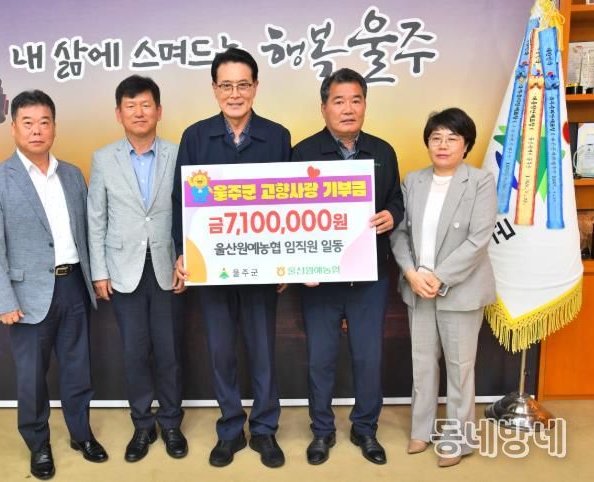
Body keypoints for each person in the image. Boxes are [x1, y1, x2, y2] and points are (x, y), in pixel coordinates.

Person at [0, 90, 107, 480]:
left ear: (54, 127)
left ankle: (81, 435)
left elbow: (87, 232)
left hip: (73, 286)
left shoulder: (72, 174)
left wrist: (95, 277)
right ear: (14, 127)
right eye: (28, 123)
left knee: (77, 369)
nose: (37, 130)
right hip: (26, 294)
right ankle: (38, 444)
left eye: (44, 122)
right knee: (32, 377)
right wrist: (3, 299)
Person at [171, 47, 291, 468]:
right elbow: (181, 202)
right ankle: (230, 430)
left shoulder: (277, 136)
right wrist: (182, 252)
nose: (235, 94)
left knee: (262, 351)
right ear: (214, 89)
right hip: (212, 267)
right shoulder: (196, 137)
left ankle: (265, 430)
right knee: (221, 352)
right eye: (226, 86)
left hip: (261, 266)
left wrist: (287, 259)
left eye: (243, 85)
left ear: (255, 87)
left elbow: (289, 204)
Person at [291, 68, 404, 466]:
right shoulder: (302, 153)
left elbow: (396, 200)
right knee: (320, 359)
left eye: (356, 100)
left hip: (369, 277)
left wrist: (392, 214)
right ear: (324, 108)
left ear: (365, 105)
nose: (348, 109)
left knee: (368, 357)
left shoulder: (383, 151)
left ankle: (365, 428)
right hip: (320, 280)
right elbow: (289, 215)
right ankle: (322, 430)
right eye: (338, 101)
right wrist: (299, 266)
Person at [87, 75, 187, 463]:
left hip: (168, 267)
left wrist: (188, 262)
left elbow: (190, 211)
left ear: (159, 111)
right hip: (122, 269)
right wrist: (99, 271)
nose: (139, 112)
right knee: (134, 352)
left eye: (146, 105)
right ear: (119, 114)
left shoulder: (178, 154)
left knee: (169, 351)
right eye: (131, 106)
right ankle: (143, 425)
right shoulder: (103, 158)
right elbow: (96, 218)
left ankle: (172, 423)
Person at [390, 107, 497, 467]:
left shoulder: (480, 181)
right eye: (436, 137)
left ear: (466, 145)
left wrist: (439, 276)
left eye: (452, 138)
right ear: (427, 143)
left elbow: (479, 239)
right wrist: (411, 273)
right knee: (422, 363)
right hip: (417, 287)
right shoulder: (413, 181)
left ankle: (458, 438)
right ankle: (422, 430)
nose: (443, 144)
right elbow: (399, 233)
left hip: (461, 289)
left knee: (460, 366)